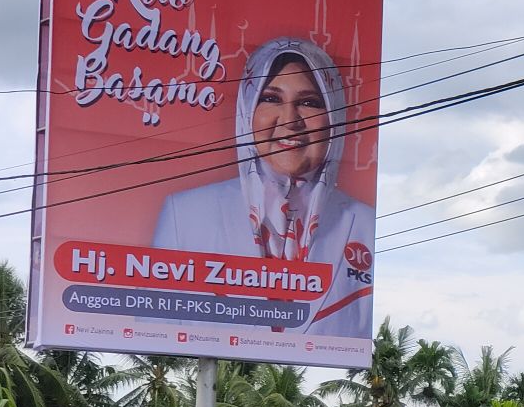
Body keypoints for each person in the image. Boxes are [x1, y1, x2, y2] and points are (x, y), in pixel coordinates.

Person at [150, 36, 375, 339]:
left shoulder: (364, 225)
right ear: (247, 110)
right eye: (271, 98)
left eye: (309, 103)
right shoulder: (186, 213)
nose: (289, 119)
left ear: (334, 115)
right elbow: (157, 329)